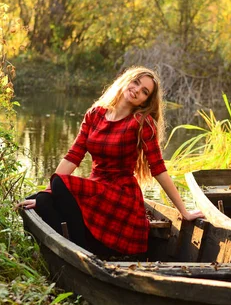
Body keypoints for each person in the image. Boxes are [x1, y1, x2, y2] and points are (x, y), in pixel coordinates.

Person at [16, 66, 204, 258]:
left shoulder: (141, 123)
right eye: (136, 82)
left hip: (121, 196)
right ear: (126, 80)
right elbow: (73, 156)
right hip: (96, 190)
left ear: (145, 101)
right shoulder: (95, 115)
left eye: (144, 91)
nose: (137, 90)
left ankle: (83, 252)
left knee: (56, 184)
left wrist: (184, 211)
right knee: (41, 198)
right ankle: (72, 248)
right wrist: (48, 193)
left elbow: (158, 169)